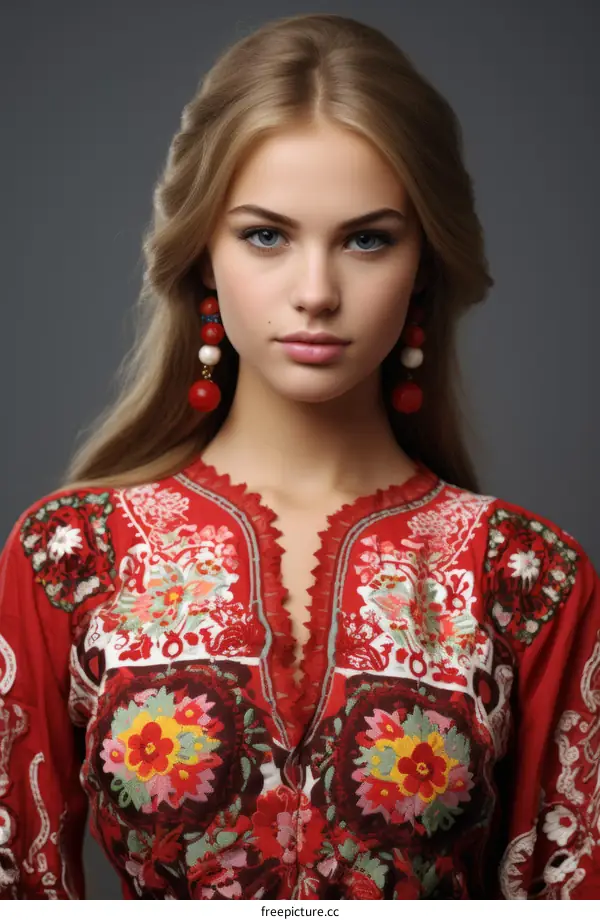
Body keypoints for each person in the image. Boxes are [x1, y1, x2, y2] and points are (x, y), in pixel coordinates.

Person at [0, 12, 598, 901]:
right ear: (204, 255)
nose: (315, 293)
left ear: (424, 264)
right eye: (266, 235)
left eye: (367, 239)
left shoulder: (523, 578)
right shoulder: (73, 558)